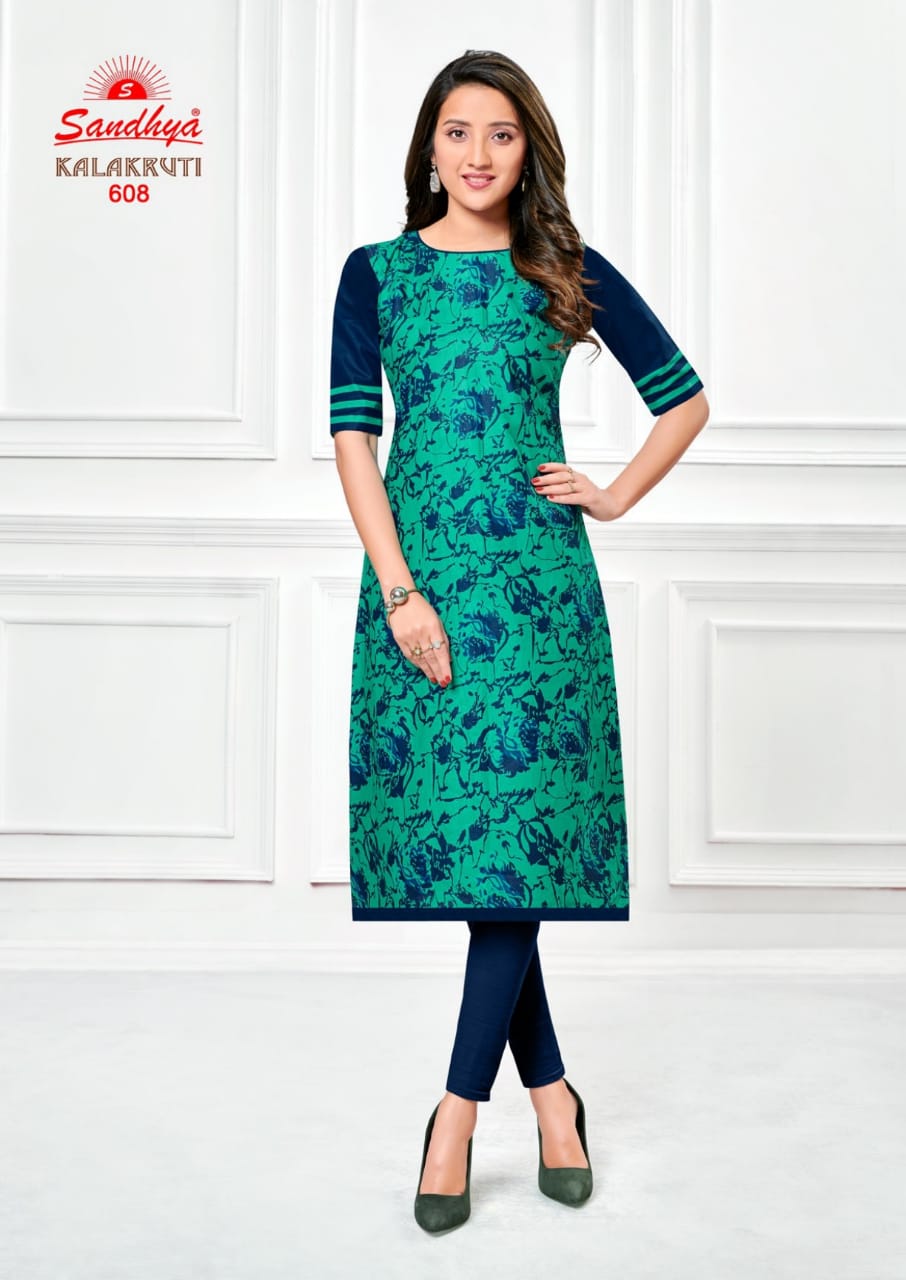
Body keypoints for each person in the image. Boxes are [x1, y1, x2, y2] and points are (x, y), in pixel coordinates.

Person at [329, 49, 709, 1233]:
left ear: (528, 150)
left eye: (501, 134)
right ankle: (553, 1097)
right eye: (458, 131)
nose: (478, 154)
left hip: (541, 601)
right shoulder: (377, 274)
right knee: (486, 858)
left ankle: (454, 1113)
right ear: (429, 147)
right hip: (422, 590)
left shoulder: (563, 269)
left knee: (513, 857)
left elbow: (685, 397)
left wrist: (614, 494)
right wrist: (402, 592)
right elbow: (353, 441)